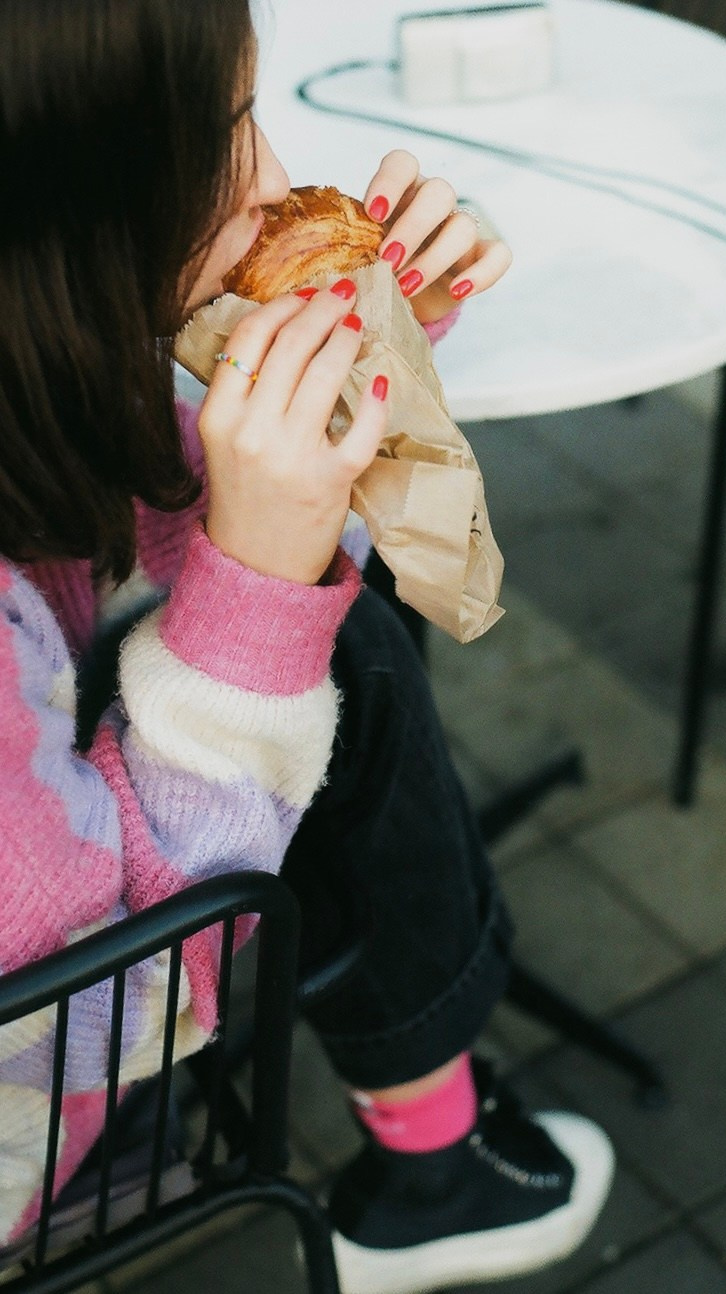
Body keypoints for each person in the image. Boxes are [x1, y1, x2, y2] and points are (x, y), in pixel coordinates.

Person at [0, 1, 614, 1290]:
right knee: (345, 661)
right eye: (226, 130)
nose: (273, 176)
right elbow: (97, 1013)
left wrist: (364, 336)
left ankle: (428, 1126)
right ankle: (430, 1165)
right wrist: (258, 585)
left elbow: (119, 509)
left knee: (333, 650)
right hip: (32, 1100)